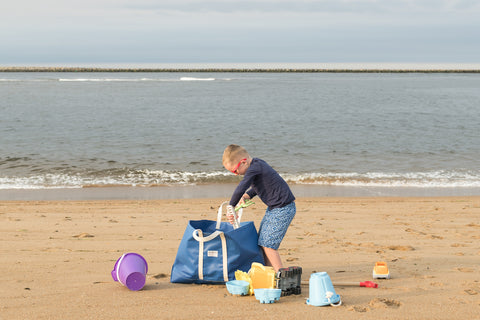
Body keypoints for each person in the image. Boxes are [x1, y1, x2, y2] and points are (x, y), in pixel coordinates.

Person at [222, 144, 296, 272]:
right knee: (262, 241)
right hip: (275, 208)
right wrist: (248, 195)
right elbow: (260, 185)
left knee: (268, 244)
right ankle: (268, 272)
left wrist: (231, 206)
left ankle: (281, 274)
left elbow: (242, 186)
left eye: (235, 171)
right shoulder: (257, 165)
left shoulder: (254, 168)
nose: (235, 174)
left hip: (283, 208)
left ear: (243, 162)